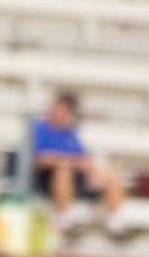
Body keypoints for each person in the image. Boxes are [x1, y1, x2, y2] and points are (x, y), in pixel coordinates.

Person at [31, 90, 128, 236]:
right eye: (58, 109)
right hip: (46, 179)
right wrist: (66, 161)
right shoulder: (40, 129)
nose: (59, 114)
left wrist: (91, 172)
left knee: (111, 174)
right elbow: (39, 159)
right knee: (63, 168)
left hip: (74, 179)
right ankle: (64, 215)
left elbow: (83, 158)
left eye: (65, 111)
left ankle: (115, 218)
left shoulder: (70, 133)